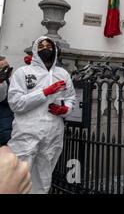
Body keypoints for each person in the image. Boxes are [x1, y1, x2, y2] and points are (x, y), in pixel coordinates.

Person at [7, 36, 76, 194]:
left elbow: (70, 97)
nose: (46, 49)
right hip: (27, 133)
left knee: (43, 179)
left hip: (52, 134)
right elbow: (16, 104)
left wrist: (64, 109)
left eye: (49, 46)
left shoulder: (63, 74)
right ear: (35, 50)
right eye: (41, 46)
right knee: (19, 176)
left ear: (56, 50)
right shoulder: (23, 73)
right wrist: (44, 92)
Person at [0, 56, 14, 146]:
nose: (6, 71)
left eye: (7, 67)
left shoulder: (12, 81)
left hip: (8, 133)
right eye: (2, 68)